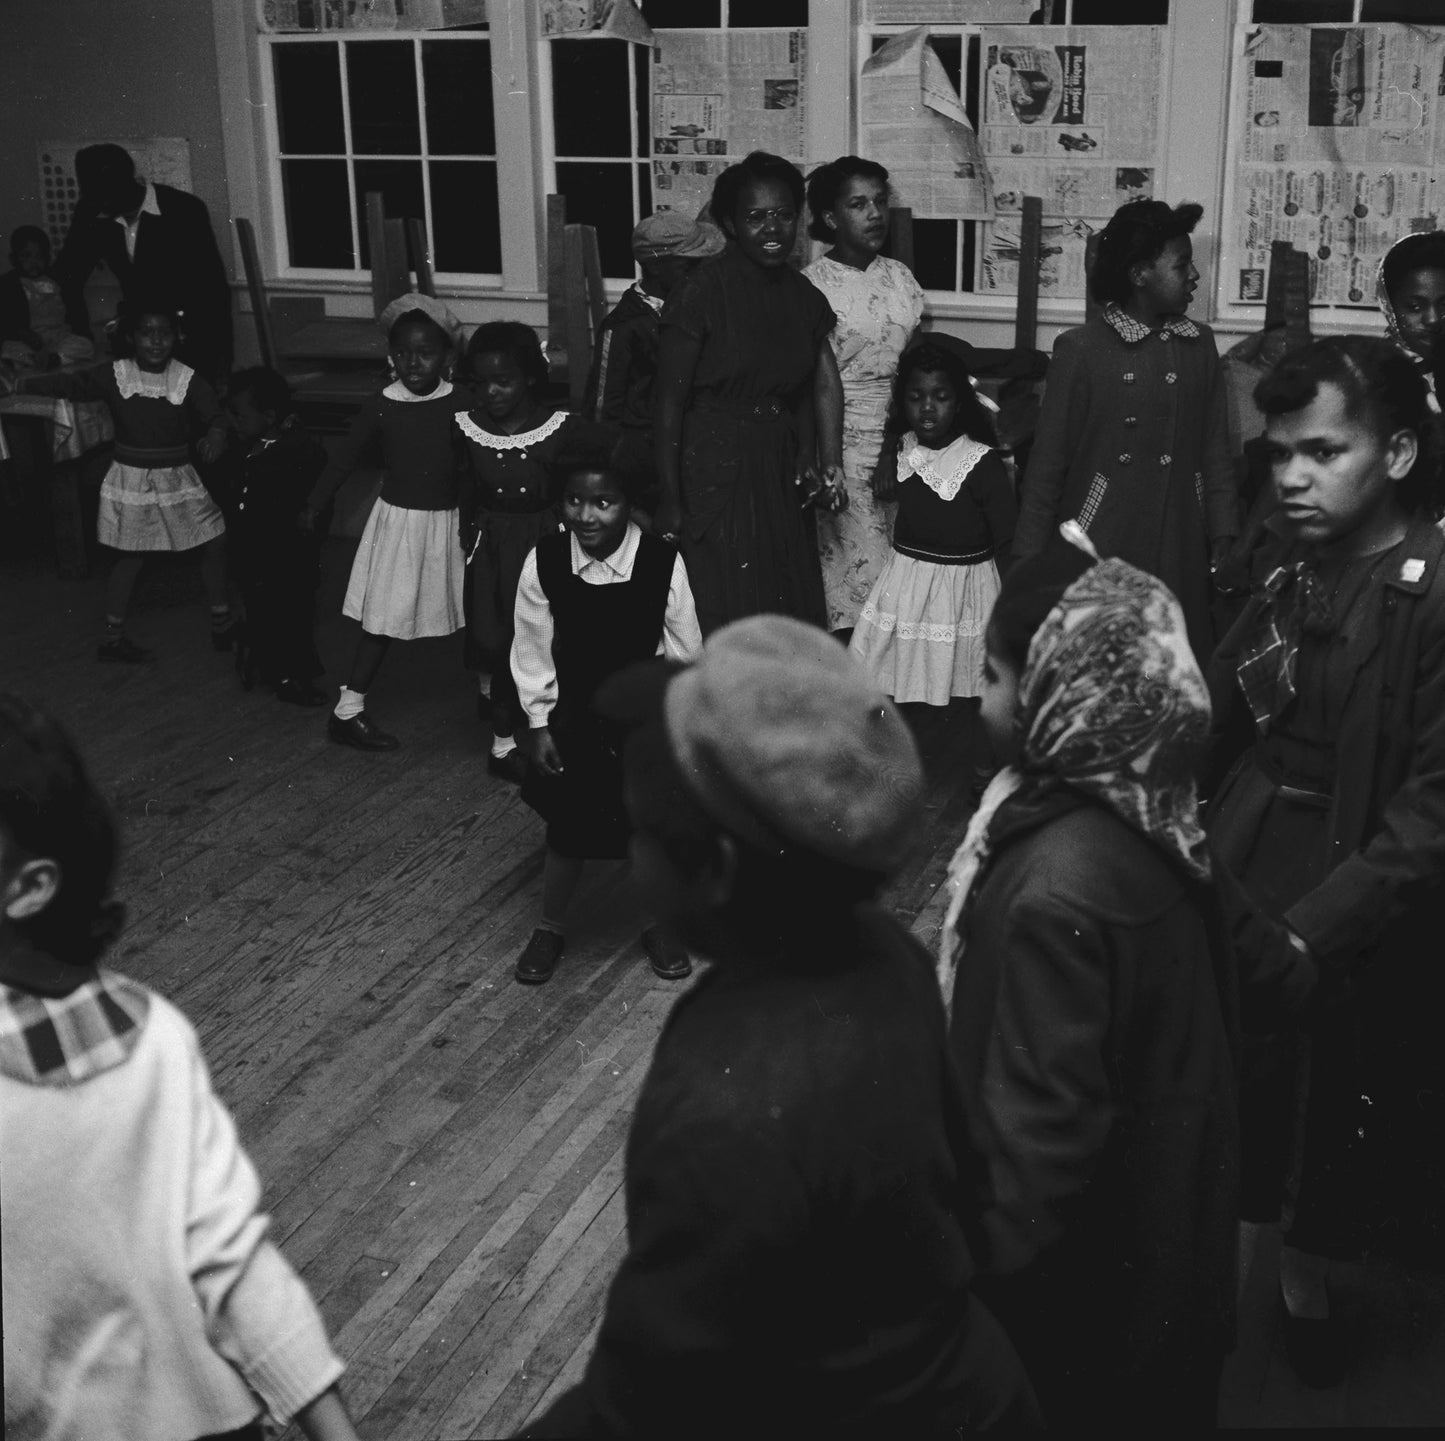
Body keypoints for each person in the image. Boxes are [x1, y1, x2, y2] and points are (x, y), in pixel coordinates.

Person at [519, 616, 1042, 1438]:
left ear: (715, 871)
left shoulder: (725, 1111)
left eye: (641, 836)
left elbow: (648, 1398)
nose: (632, 857)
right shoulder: (884, 955)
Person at [938, 538, 1239, 1431]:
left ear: (1054, 699)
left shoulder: (1050, 889)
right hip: (1167, 1252)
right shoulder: (1154, 811)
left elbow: (1035, 1150)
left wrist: (946, 1292)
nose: (981, 696)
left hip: (1081, 1312)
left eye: (993, 675)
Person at [0, 693, 359, 1441]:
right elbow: (231, 1257)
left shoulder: (152, 1046)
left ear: (29, 886)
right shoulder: (155, 1032)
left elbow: (224, 1253)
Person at [1206, 336, 1445, 1388]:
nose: (1291, 477)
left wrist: (1311, 928)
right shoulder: (1287, 555)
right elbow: (1221, 704)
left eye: (1320, 451)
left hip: (1348, 877)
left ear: (1394, 452)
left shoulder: (1429, 592)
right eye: (1276, 454)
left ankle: (1302, 1277)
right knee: (1231, 1077)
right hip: (1253, 835)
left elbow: (1430, 811)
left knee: (1332, 1091)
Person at [509, 434, 702, 986]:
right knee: (570, 831)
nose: (586, 516)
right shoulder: (545, 560)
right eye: (574, 501)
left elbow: (687, 652)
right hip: (575, 721)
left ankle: (657, 922)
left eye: (603, 503)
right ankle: (550, 925)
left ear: (630, 502)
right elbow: (530, 647)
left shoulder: (662, 562)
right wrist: (539, 722)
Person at [1014, 199, 1238, 665]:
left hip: (1181, 544)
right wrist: (1028, 565)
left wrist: (1224, 538)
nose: (1193, 275)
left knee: (1172, 666)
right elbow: (1047, 466)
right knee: (1101, 663)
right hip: (1101, 542)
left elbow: (1216, 452)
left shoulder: (1200, 345)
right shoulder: (1080, 349)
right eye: (1182, 265)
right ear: (1139, 275)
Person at [654, 151, 845, 636]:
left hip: (777, 465)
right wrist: (670, 497)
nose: (773, 229)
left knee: (784, 596)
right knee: (724, 599)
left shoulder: (804, 298)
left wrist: (808, 452)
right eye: (756, 217)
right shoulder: (699, 293)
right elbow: (668, 405)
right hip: (713, 462)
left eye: (784, 215)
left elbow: (804, 387)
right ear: (730, 225)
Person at [3, 297, 232, 663]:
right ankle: (112, 639)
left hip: (178, 478)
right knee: (132, 557)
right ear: (131, 337)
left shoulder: (186, 378)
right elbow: (70, 384)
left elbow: (216, 414)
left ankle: (222, 625)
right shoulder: (115, 374)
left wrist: (217, 434)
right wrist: (19, 386)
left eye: (164, 333)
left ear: (176, 337)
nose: (156, 341)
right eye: (146, 333)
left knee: (216, 540)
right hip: (132, 481)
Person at [304, 294, 471, 751]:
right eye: (402, 353)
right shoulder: (383, 404)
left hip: (453, 523)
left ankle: (493, 695)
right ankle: (348, 709)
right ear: (390, 356)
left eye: (426, 352)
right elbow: (343, 460)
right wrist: (315, 502)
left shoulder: (463, 402)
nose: (413, 362)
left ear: (447, 356)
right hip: (400, 528)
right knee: (384, 618)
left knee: (475, 607)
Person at [849, 338, 1016, 708]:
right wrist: (883, 461)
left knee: (961, 680)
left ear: (958, 403)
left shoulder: (980, 462)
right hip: (908, 584)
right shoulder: (903, 449)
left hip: (964, 589)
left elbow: (1006, 538)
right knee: (897, 673)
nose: (927, 407)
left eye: (940, 397)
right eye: (915, 397)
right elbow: (896, 435)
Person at [803, 156, 926, 638]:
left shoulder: (900, 278)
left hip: (903, 437)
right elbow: (814, 385)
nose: (875, 213)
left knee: (904, 576)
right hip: (841, 444)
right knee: (854, 581)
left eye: (880, 202)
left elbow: (914, 371)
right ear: (831, 218)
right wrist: (829, 465)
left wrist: (898, 447)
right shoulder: (811, 286)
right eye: (858, 204)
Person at [457, 320, 580, 782]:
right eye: (482, 383)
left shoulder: (558, 427)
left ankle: (554, 730)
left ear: (529, 376)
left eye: (503, 381)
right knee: (501, 642)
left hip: (545, 544)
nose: (491, 392)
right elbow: (466, 489)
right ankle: (503, 744)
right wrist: (469, 536)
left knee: (550, 639)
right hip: (493, 551)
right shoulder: (468, 429)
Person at [53, 144, 232, 385]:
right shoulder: (94, 212)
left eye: (106, 196)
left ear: (127, 181)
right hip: (136, 339)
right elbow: (67, 274)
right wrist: (82, 333)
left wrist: (220, 365)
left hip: (189, 337)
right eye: (94, 197)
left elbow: (212, 289)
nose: (102, 205)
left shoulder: (183, 209)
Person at [583, 210, 723, 513]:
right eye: (690, 264)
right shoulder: (622, 327)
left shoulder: (696, 309)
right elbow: (602, 412)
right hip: (647, 466)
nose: (700, 271)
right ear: (658, 268)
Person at [222, 367, 330, 706]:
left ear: (269, 415)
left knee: (293, 615)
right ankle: (278, 672)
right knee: (266, 613)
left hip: (289, 552)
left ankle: (293, 672)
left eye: (240, 416)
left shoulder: (298, 447)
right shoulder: (247, 446)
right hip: (253, 552)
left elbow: (313, 497)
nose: (234, 423)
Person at [0, 225, 94, 368]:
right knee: (9, 348)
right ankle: (31, 360)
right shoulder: (9, 284)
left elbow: (75, 311)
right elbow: (10, 323)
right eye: (26, 256)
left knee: (85, 345)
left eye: (39, 256)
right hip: (29, 340)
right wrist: (34, 343)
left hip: (59, 336)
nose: (33, 262)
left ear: (48, 257)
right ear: (14, 259)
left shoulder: (58, 280)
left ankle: (54, 360)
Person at [1376, 229, 1445, 411]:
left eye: (1444, 304)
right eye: (1415, 307)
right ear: (1389, 307)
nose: (1433, 319)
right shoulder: (1370, 378)